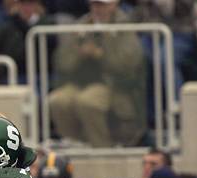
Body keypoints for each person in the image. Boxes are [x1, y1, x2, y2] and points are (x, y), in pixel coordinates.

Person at [48, 0, 146, 147]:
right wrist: (79, 53)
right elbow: (62, 61)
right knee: (57, 100)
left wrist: (100, 54)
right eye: (94, 4)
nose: (97, 9)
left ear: (114, 5)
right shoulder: (81, 25)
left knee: (88, 101)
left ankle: (101, 147)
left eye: (102, 4)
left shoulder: (125, 26)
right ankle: (73, 144)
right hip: (79, 82)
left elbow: (128, 64)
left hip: (114, 84)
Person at [0, 0, 54, 83]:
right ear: (18, 5)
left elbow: (50, 44)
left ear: (37, 5)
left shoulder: (47, 23)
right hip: (12, 74)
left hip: (40, 75)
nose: (26, 7)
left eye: (30, 3)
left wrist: (20, 21)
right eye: (23, 4)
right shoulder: (9, 24)